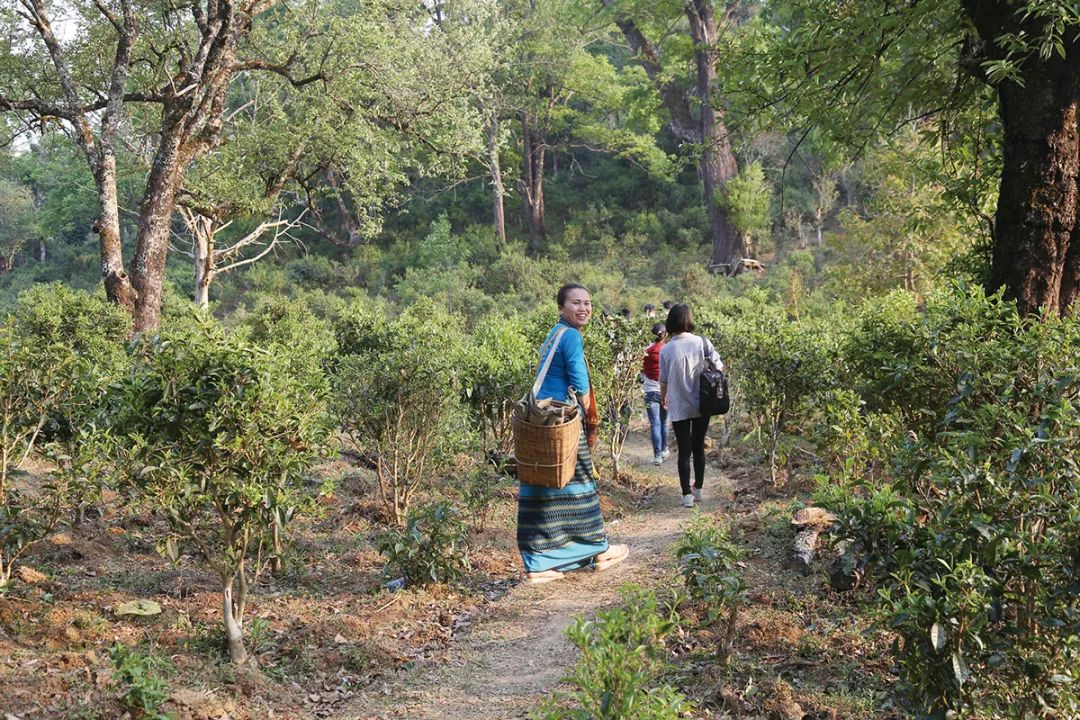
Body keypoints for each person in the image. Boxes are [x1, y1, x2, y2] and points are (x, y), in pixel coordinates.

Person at [517, 283, 630, 584]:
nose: (583, 308)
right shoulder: (571, 337)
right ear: (561, 308)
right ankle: (596, 550)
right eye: (576, 303)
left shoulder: (554, 334)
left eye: (587, 303)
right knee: (578, 486)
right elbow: (580, 384)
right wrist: (589, 416)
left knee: (544, 490)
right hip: (563, 423)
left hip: (542, 421)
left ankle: (540, 562)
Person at [659, 303, 724, 508]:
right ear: (689, 319)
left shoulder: (666, 349)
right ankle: (699, 490)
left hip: (679, 404)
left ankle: (686, 495)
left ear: (671, 321)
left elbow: (663, 380)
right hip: (702, 403)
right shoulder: (702, 343)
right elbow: (719, 368)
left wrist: (664, 397)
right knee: (699, 448)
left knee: (684, 450)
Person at [642, 322, 669, 465]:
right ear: (666, 335)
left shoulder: (646, 351)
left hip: (650, 390)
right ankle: (665, 449)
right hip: (667, 392)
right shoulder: (668, 350)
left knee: (655, 424)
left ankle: (657, 455)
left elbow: (641, 369)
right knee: (665, 423)